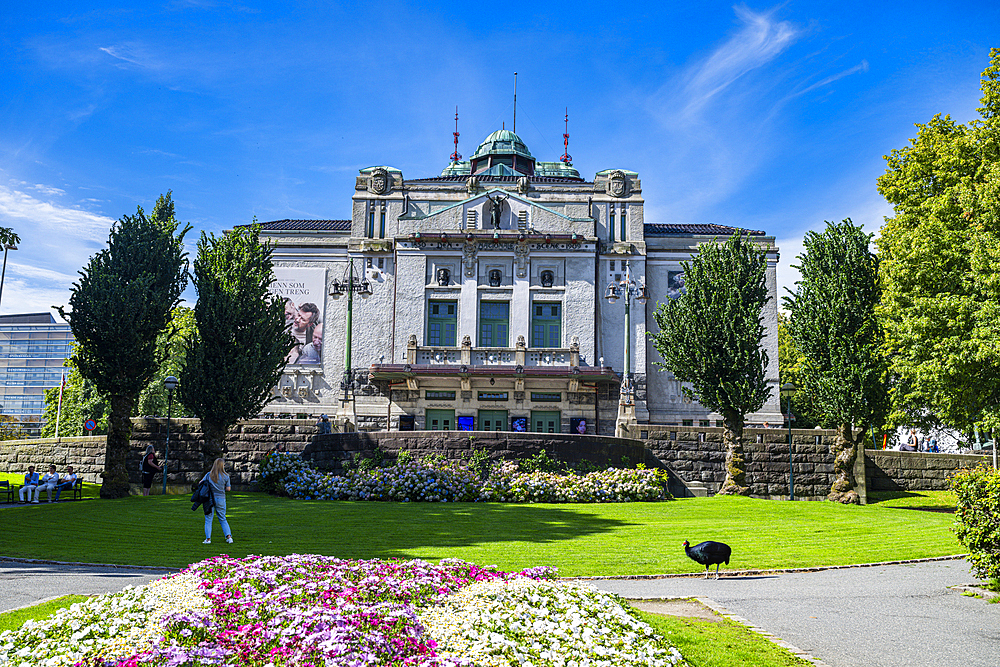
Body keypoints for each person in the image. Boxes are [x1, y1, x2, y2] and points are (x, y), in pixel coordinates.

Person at [201, 458, 233, 545]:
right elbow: (228, 489)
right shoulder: (226, 476)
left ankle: (208, 539)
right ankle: (229, 537)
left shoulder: (209, 475)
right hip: (221, 499)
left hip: (210, 499)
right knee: (222, 518)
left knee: (208, 519)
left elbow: (201, 483)